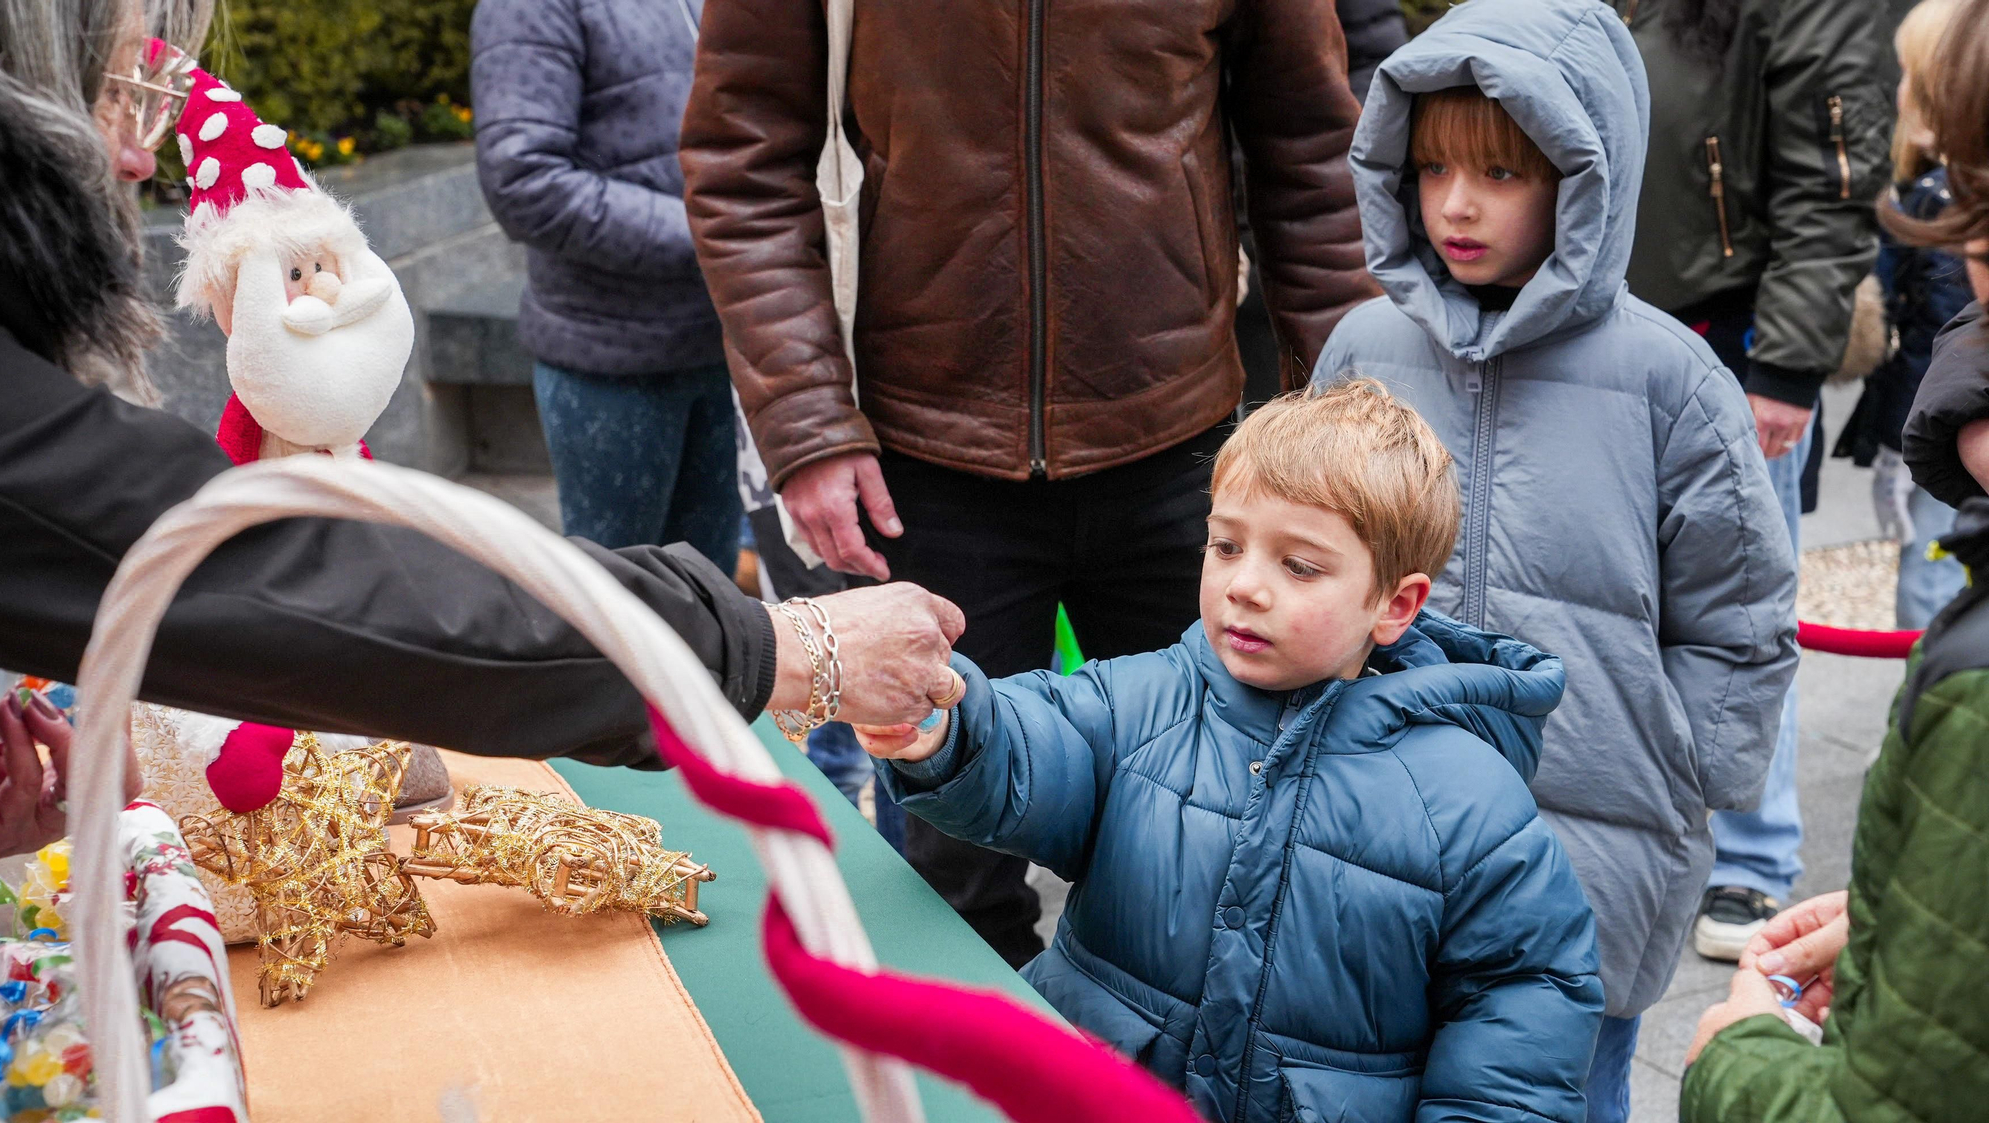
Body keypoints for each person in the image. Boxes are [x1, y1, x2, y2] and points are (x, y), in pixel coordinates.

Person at [0, 0, 964, 853]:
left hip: (699, 347)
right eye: (119, 92)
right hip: (610, 354)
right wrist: (778, 647)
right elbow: (312, 584)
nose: (136, 154)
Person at [681, 0, 1378, 966]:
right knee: (954, 874)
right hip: (928, 463)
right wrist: (806, 426)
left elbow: (1310, 155)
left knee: (1223, 839)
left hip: (1183, 453)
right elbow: (741, 157)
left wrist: (1346, 422)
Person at [858, 380, 1602, 1123]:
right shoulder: (1144, 699)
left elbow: (1521, 1014)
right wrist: (947, 728)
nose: (1245, 585)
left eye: (1299, 565)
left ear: (1395, 604)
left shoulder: (1470, 799)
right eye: (1226, 544)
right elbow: (1034, 740)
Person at [1314, 1, 1799, 1117]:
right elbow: (1304, 549)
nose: (1455, 203)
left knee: (1566, 1096)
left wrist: (1687, 774)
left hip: (1589, 851)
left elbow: (1738, 613)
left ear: (1587, 177)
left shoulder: (1670, 381)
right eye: (1430, 168)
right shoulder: (1360, 349)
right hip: (1377, 830)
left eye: (1501, 173)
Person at [1682, 19, 1989, 1091]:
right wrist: (1900, 918)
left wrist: (1733, 1061)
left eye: (1980, 236)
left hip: (1741, 344)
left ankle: (1752, 861)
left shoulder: (1971, 693)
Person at [1613, 0, 1892, 962]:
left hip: (1731, 336)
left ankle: (1754, 853)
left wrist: (1786, 366)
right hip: (1606, 311)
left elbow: (1834, 172)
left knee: (1738, 608)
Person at [470, 0, 740, 572]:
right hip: (614, 358)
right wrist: (719, 236)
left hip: (728, 342)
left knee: (713, 600)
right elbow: (524, 182)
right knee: (617, 603)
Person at [1834, 0, 1970, 630]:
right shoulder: (1936, 195)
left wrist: (1898, 440)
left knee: (1930, 570)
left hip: (1949, 425)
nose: (1900, 93)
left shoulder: (1947, 207)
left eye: (1914, 75)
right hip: (1944, 418)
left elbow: (1938, 345)